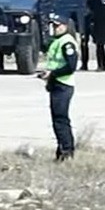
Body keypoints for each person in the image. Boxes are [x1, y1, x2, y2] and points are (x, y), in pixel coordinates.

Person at [34, 13, 81, 162]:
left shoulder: (67, 43)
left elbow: (71, 67)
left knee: (61, 120)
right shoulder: (56, 41)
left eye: (57, 25)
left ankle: (67, 151)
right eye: (53, 26)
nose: (55, 28)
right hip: (55, 84)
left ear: (65, 26)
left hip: (64, 85)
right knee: (57, 120)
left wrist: (52, 74)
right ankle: (61, 152)